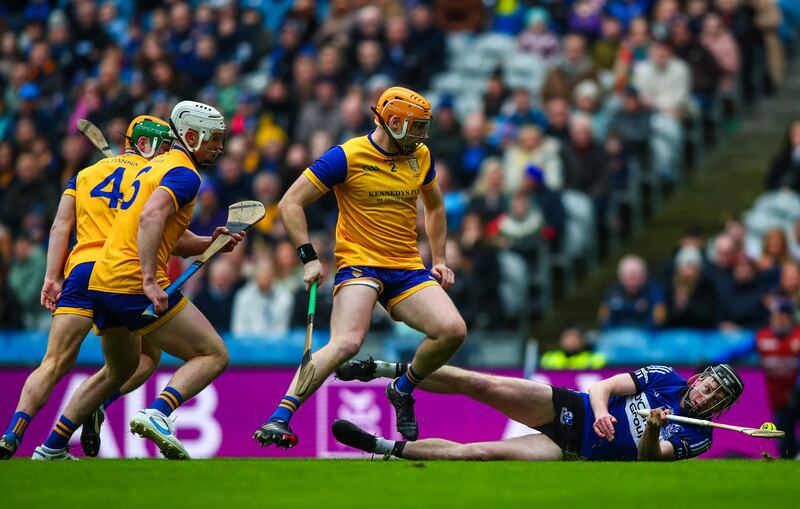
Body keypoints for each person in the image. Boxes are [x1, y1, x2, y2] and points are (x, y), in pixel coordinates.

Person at [253, 86, 466, 448]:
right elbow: (290, 203)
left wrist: (440, 259)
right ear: (393, 122)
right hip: (360, 265)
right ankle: (279, 417)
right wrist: (308, 257)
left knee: (452, 330)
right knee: (347, 342)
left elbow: (434, 207)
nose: (421, 136)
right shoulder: (346, 156)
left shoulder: (421, 156)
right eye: (415, 127)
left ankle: (402, 387)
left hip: (406, 266)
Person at [29, 101, 243, 461]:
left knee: (120, 369)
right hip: (130, 280)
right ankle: (157, 413)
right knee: (213, 354)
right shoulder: (184, 174)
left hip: (102, 279)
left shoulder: (154, 166)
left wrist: (209, 243)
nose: (219, 147)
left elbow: (160, 229)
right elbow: (150, 218)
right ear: (191, 137)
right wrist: (148, 280)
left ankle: (51, 447)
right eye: (214, 139)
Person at [0, 116, 176, 460]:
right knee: (140, 360)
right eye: (165, 147)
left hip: (80, 271)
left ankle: (11, 434)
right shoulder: (154, 179)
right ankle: (93, 406)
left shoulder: (85, 174)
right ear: (145, 145)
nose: (169, 154)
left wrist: (52, 277)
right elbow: (159, 231)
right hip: (119, 274)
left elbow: (60, 226)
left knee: (53, 362)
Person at [332, 360, 743, 461]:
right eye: (709, 385)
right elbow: (603, 387)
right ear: (699, 379)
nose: (707, 396)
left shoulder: (700, 436)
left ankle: (379, 446)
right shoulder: (667, 378)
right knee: (481, 384)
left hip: (573, 450)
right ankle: (383, 370)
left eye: (717, 397)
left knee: (477, 453)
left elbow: (650, 457)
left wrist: (652, 429)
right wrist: (602, 412)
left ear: (721, 407)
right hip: (571, 408)